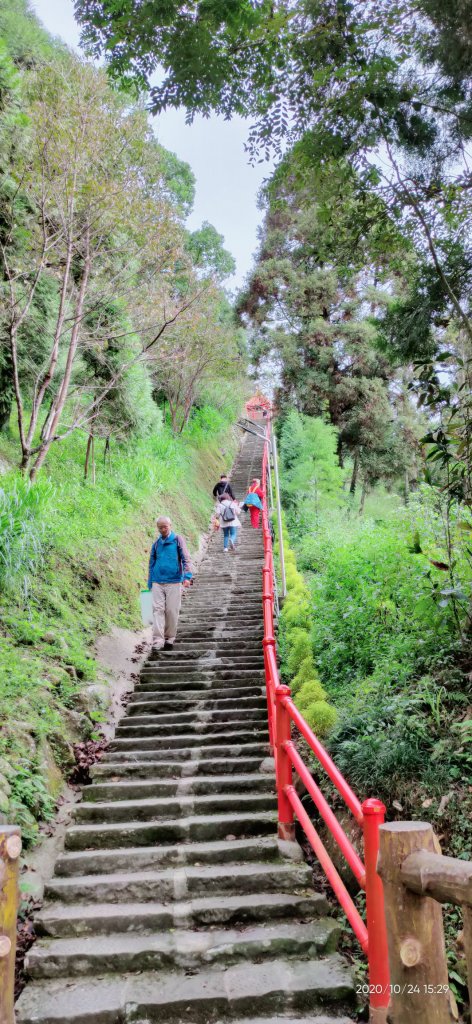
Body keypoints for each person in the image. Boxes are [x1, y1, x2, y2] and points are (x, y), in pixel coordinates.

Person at [147, 516, 193, 651]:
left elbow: (186, 558)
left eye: (165, 526)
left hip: (174, 581)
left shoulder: (178, 540)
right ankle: (157, 640)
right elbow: (151, 563)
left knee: (171, 610)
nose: (163, 529)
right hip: (157, 581)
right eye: (160, 527)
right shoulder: (156, 544)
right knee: (157, 610)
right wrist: (150, 582)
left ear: (170, 525)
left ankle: (169, 637)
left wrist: (187, 576)